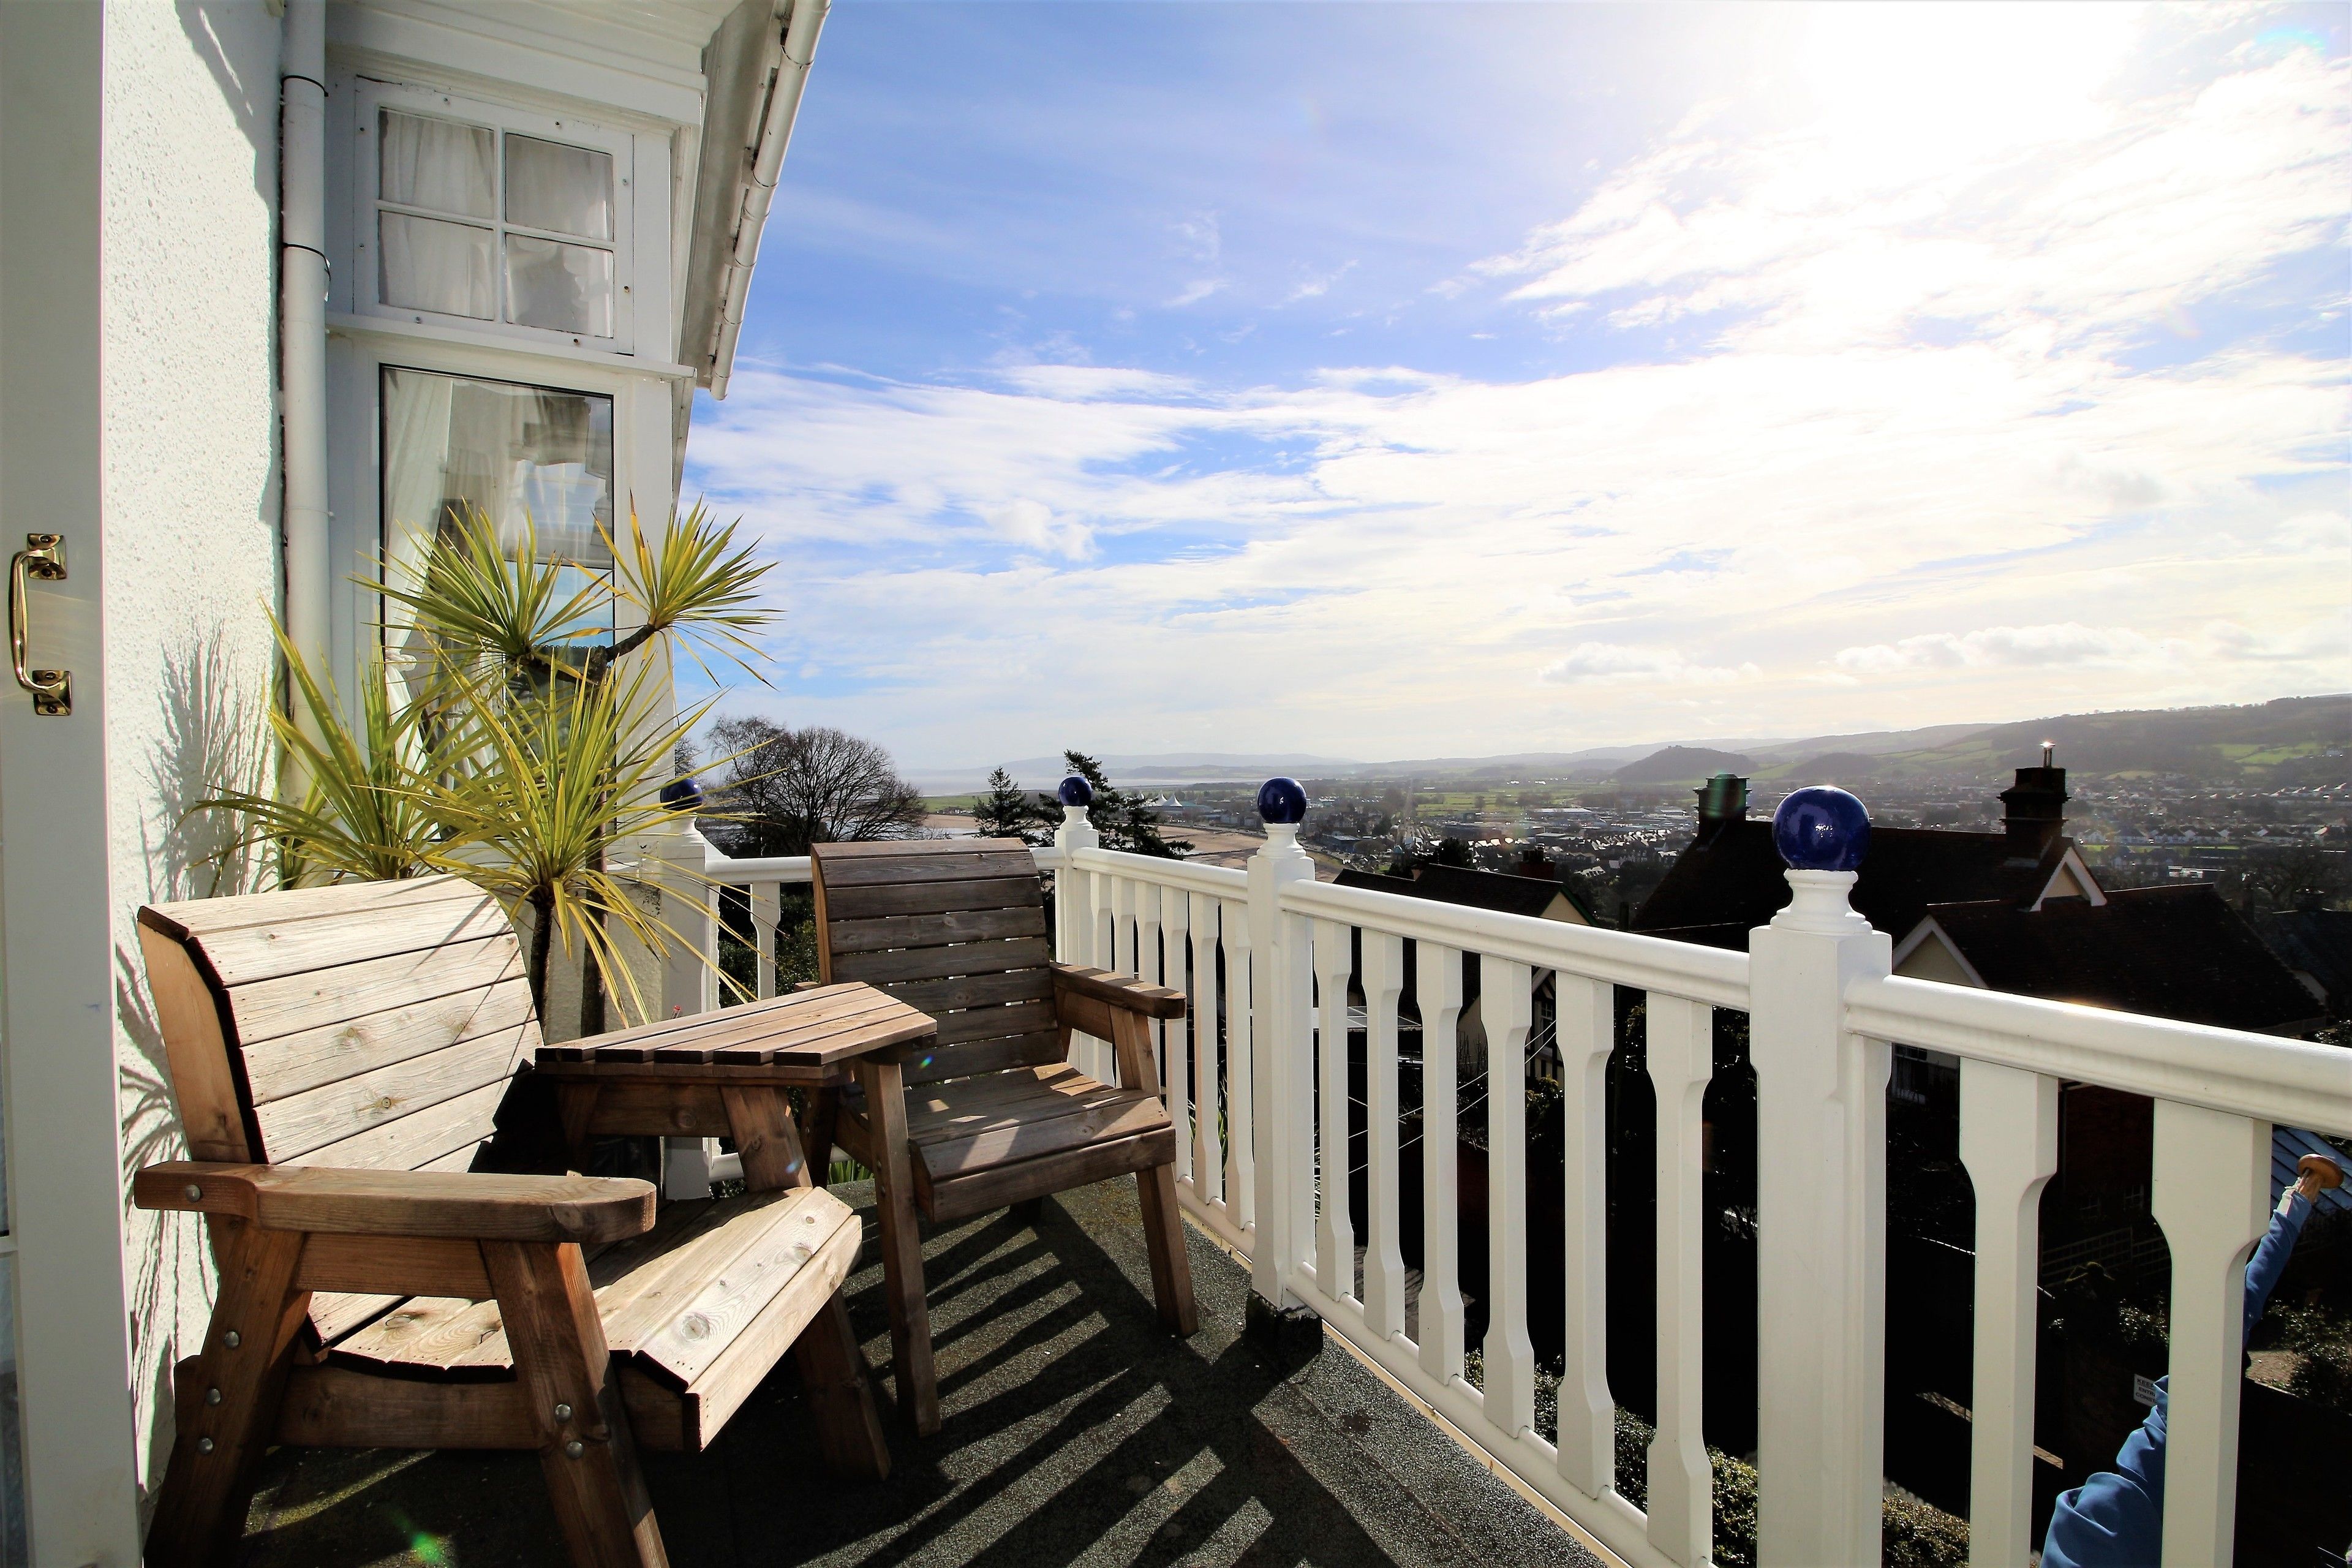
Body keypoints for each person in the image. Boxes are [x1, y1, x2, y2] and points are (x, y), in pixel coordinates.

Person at [2040, 1150, 2345, 1568]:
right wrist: (2296, 1205)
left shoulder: (2173, 1433)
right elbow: (2244, 1298)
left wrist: (2298, 1202)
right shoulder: (2176, 1427)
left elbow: (2241, 1303)